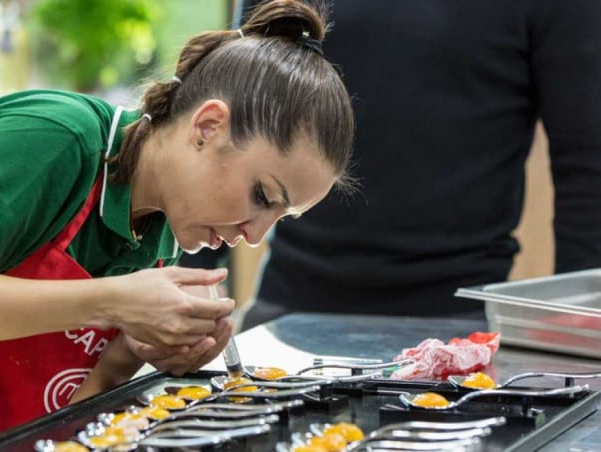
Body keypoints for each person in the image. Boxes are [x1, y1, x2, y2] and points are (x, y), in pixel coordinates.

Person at [0, 0, 355, 450]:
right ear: (208, 126)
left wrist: (135, 353)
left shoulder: (159, 238)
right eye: (261, 195)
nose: (254, 235)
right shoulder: (52, 139)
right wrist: (114, 300)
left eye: (279, 218)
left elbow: (64, 410)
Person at [223, 0, 601, 330]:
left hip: (456, 319)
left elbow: (586, 163)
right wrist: (191, 275)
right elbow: (230, 113)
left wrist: (576, 329)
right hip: (288, 307)